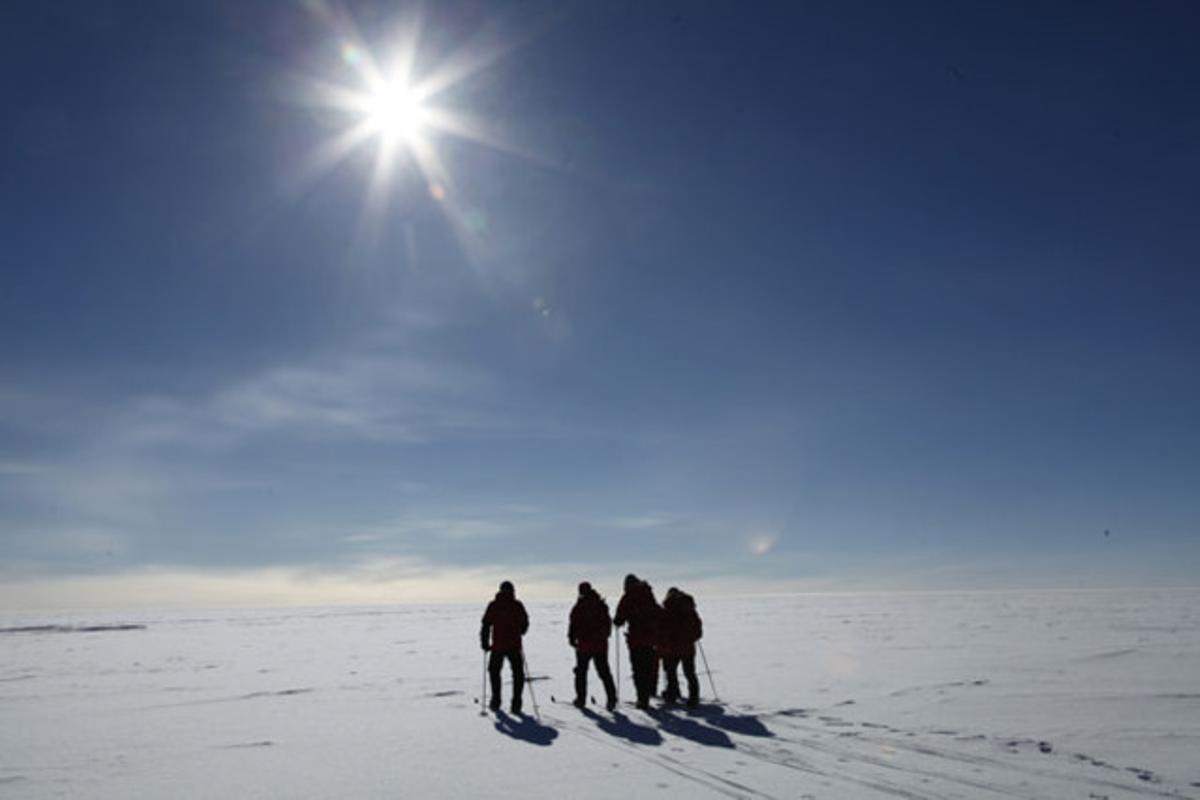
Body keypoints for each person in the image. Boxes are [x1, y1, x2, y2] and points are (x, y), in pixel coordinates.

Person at [480, 580, 529, 713]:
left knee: (494, 672)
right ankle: (516, 704)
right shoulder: (517, 605)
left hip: (498, 645)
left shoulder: (494, 605)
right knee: (518, 674)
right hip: (514, 645)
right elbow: (525, 622)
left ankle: (496, 701)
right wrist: (521, 631)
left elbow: (486, 624)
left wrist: (485, 643)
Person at [613, 573, 661, 710]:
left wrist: (617, 621)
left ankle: (642, 699)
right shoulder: (648, 594)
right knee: (649, 666)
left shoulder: (628, 597)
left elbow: (619, 617)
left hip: (636, 638)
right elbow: (656, 612)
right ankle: (649, 691)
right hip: (651, 637)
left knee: (638, 669)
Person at [568, 581, 618, 710]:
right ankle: (612, 698)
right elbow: (607, 624)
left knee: (581, 673)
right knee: (604, 671)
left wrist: (572, 639)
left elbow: (573, 624)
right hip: (600, 644)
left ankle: (581, 699)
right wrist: (604, 636)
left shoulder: (579, 607)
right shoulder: (601, 605)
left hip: (584, 645)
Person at [658, 586, 703, 707]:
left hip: (672, 647)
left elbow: (662, 629)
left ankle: (672, 694)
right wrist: (692, 638)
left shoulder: (667, 609)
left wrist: (662, 643)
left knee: (671, 672)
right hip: (688, 647)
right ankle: (694, 698)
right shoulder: (689, 609)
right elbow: (697, 629)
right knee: (690, 673)